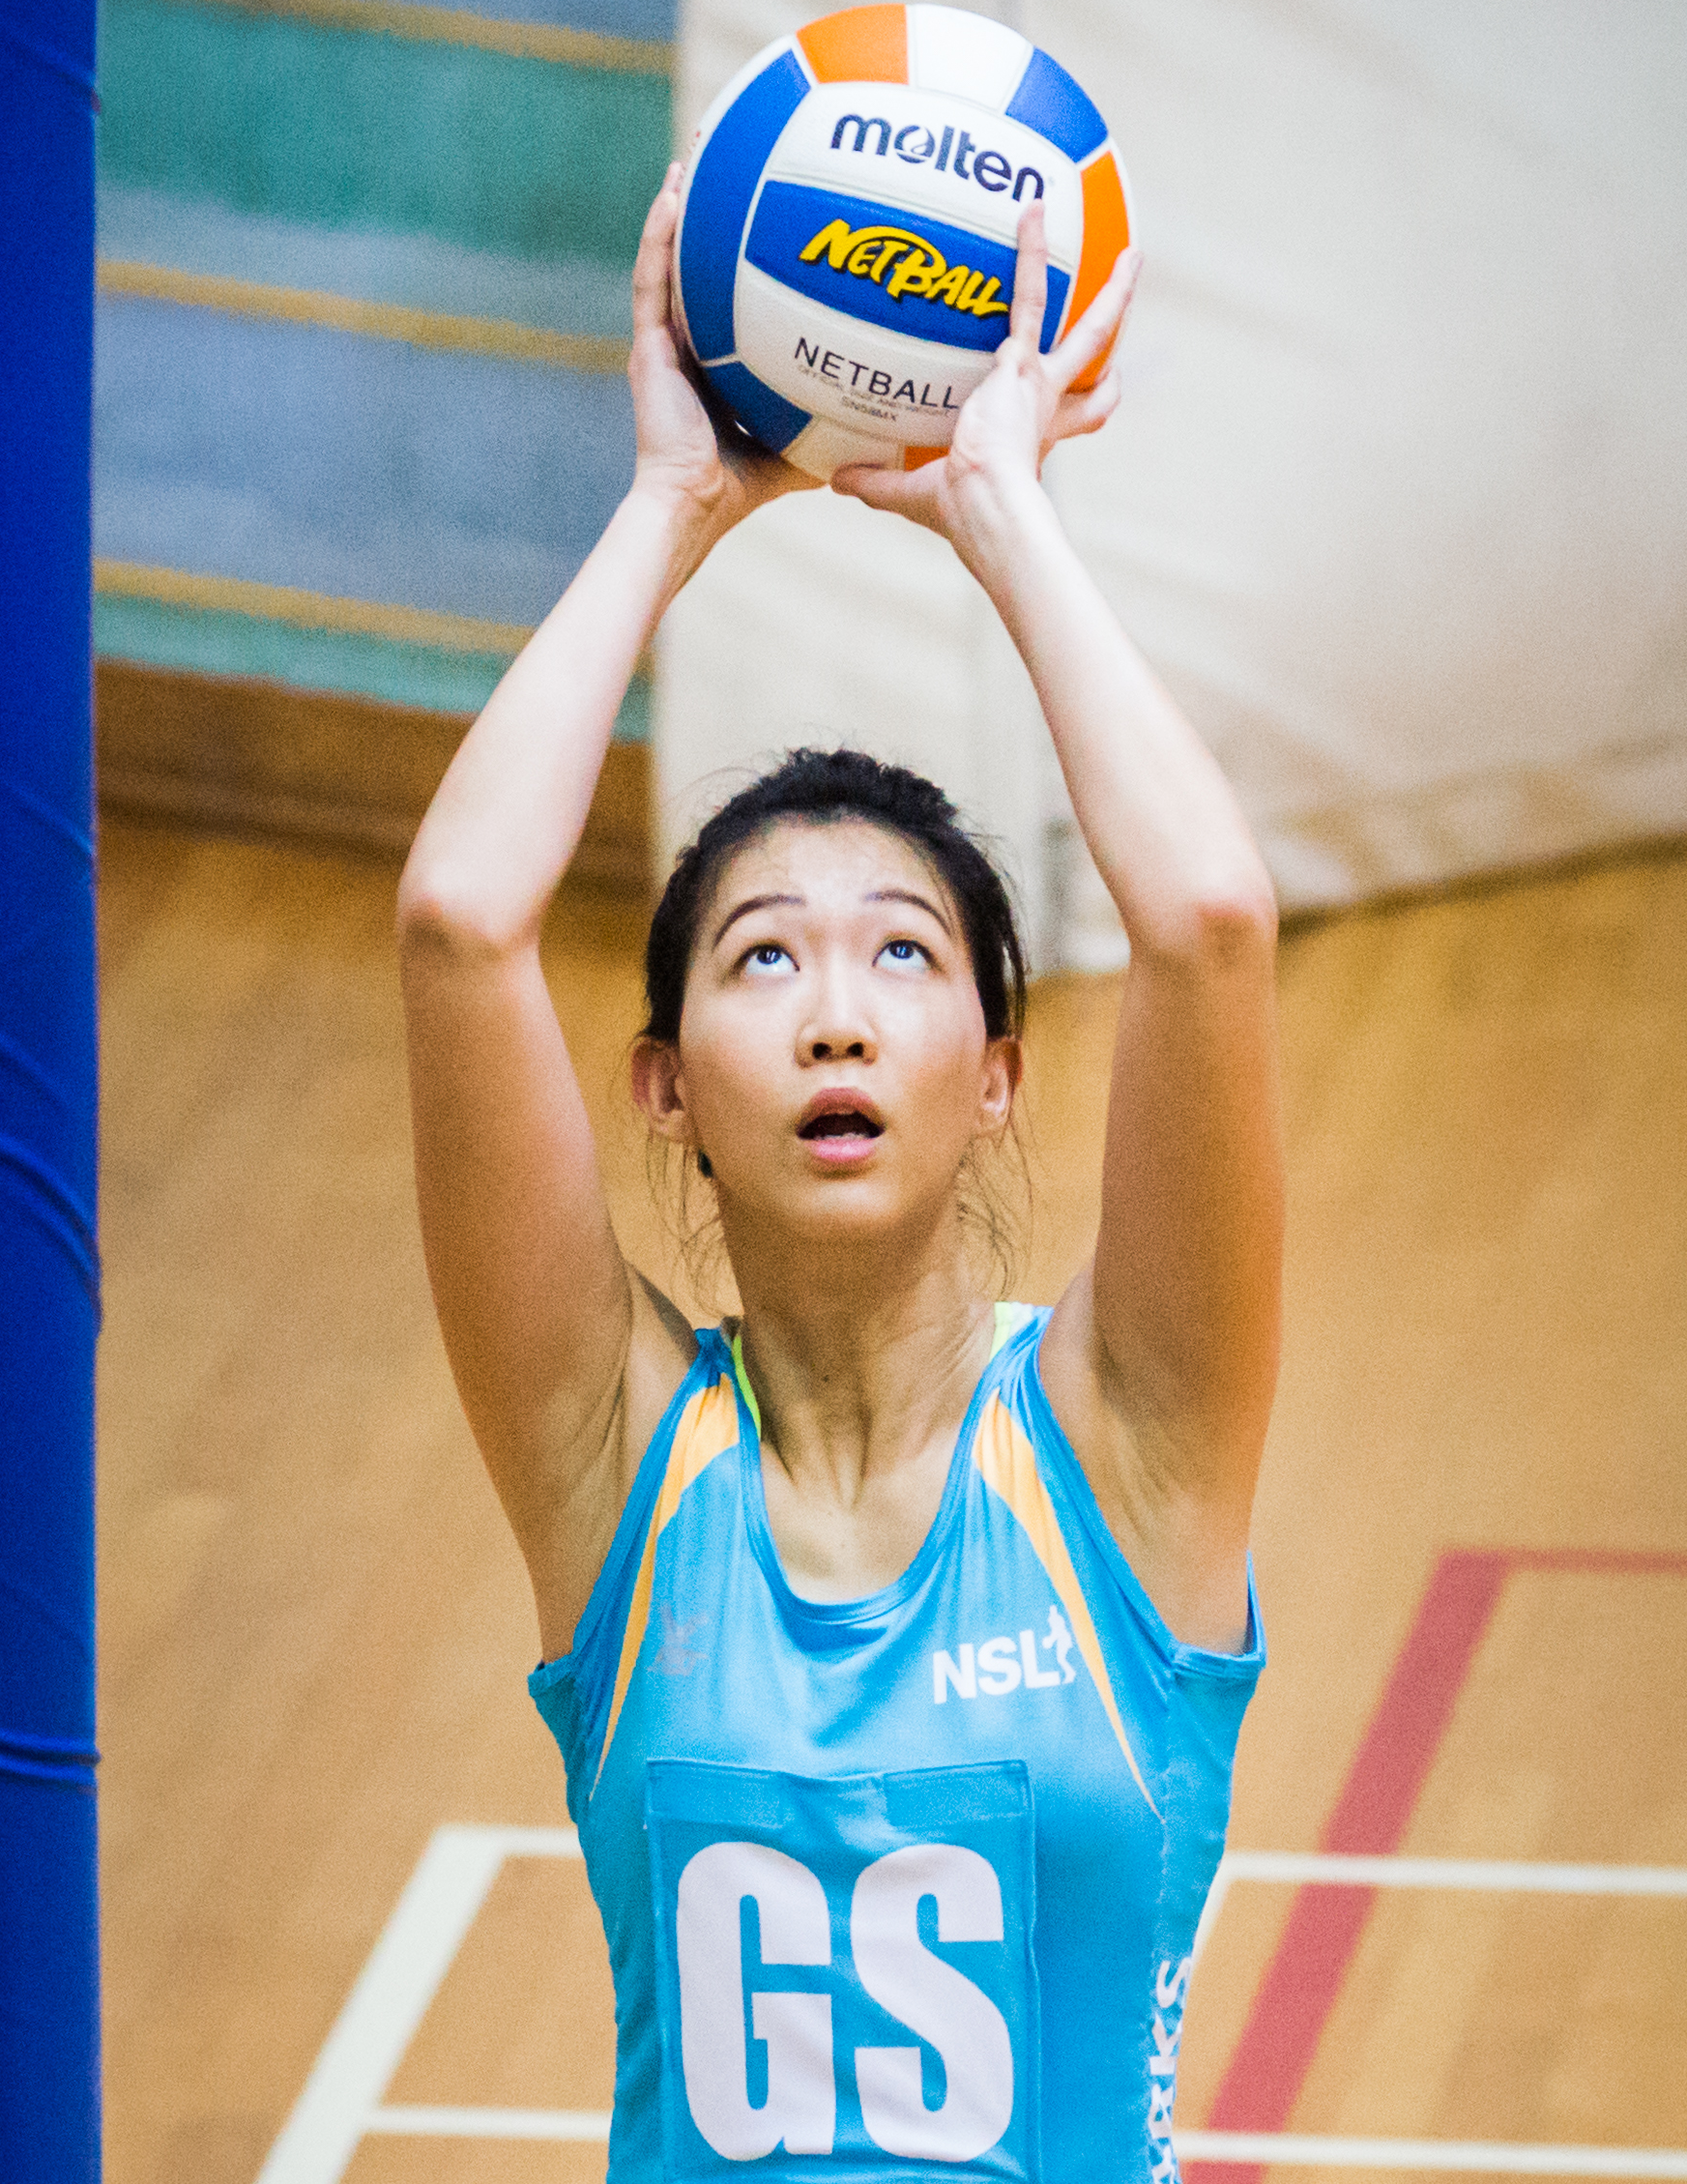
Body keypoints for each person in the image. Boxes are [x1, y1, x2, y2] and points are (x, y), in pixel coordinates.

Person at [397, 165, 1284, 2183]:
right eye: (759, 956)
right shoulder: (614, 1472)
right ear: (664, 1089)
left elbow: (1210, 920)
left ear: (992, 1072)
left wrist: (997, 505)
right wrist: (669, 505)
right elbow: (459, 919)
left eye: (904, 953)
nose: (832, 1011)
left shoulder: (1129, 1452)